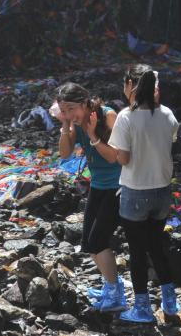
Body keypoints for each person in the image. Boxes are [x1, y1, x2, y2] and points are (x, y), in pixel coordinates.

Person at [105, 64, 181, 323]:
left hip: (136, 192)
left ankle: (143, 309)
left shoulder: (126, 117)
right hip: (162, 192)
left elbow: (124, 159)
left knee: (137, 252)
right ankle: (170, 306)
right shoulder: (168, 114)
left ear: (130, 86)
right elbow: (169, 144)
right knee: (157, 248)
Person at [54, 83, 126, 313]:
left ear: (85, 103)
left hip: (118, 186)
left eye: (71, 109)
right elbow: (64, 154)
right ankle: (109, 286)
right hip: (97, 185)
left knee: (98, 241)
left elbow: (115, 157)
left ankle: (116, 294)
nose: (69, 115)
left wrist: (92, 134)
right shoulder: (74, 122)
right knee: (89, 242)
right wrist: (65, 125)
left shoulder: (107, 115)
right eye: (64, 110)